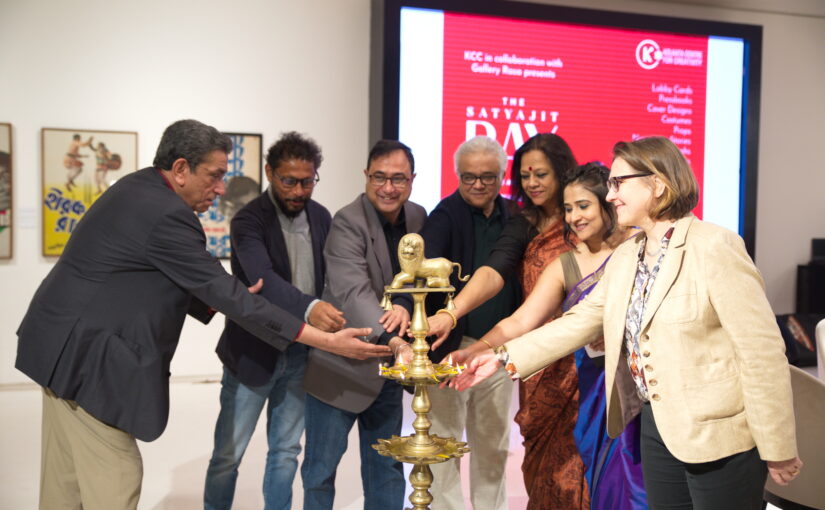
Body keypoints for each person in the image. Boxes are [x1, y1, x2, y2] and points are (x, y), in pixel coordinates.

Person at [15, 119, 391, 510]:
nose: (221, 188)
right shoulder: (168, 214)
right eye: (214, 175)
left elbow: (161, 273)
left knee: (64, 485)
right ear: (181, 169)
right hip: (88, 362)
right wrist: (326, 340)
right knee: (117, 480)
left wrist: (222, 297)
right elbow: (230, 296)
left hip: (59, 349)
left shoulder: (138, 188)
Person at [456, 137, 803, 510]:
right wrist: (501, 357)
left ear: (658, 184)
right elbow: (577, 322)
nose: (611, 195)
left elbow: (761, 352)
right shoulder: (627, 257)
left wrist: (778, 445)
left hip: (718, 436)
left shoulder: (714, 247)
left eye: (619, 183)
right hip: (656, 430)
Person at [448, 163, 647, 509]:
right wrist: (476, 350)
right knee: (588, 485)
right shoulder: (564, 265)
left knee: (635, 487)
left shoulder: (640, 248)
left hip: (636, 384)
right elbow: (521, 321)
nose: (574, 217)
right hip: (590, 390)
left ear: (607, 202)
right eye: (568, 209)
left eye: (583, 206)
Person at [428, 132, 581, 508]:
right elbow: (494, 270)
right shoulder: (521, 223)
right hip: (528, 357)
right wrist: (451, 314)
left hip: (584, 360)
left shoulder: (585, 219)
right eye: (526, 176)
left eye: (541, 174)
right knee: (540, 467)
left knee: (577, 461)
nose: (532, 183)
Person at [204, 132, 343, 510]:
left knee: (285, 452)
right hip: (252, 353)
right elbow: (263, 281)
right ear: (269, 173)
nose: (299, 191)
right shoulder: (248, 220)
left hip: (301, 354)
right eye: (289, 181)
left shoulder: (321, 216)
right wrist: (311, 307)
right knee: (227, 456)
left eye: (307, 181)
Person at [301, 140, 426, 510]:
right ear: (366, 176)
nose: (388, 187)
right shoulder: (347, 221)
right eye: (379, 177)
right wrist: (395, 341)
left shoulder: (418, 217)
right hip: (339, 370)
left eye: (398, 179)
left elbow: (416, 277)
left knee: (386, 469)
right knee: (320, 473)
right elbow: (353, 292)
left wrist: (404, 304)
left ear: (412, 180)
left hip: (387, 374)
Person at [418, 136, 519, 510]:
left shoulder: (515, 217)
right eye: (469, 177)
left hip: (496, 350)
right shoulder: (442, 217)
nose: (478, 184)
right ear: (457, 175)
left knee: (493, 443)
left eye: (487, 177)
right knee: (444, 443)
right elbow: (421, 279)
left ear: (502, 176)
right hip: (450, 349)